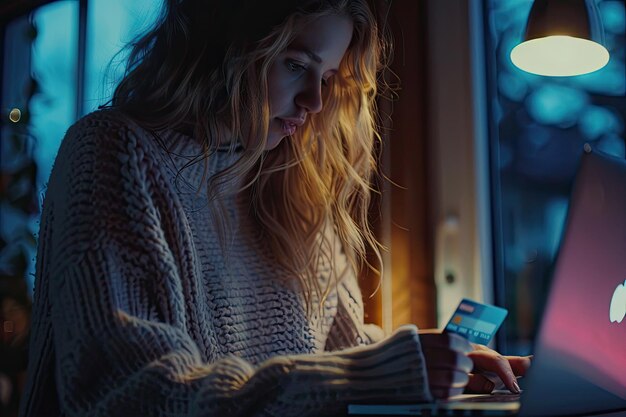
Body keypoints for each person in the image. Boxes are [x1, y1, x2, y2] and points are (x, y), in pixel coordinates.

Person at [19, 0, 530, 416]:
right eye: (295, 64)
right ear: (225, 46)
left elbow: (336, 357)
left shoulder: (291, 184)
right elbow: (134, 395)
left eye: (327, 77)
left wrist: (436, 362)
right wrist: (377, 375)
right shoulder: (112, 154)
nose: (313, 101)